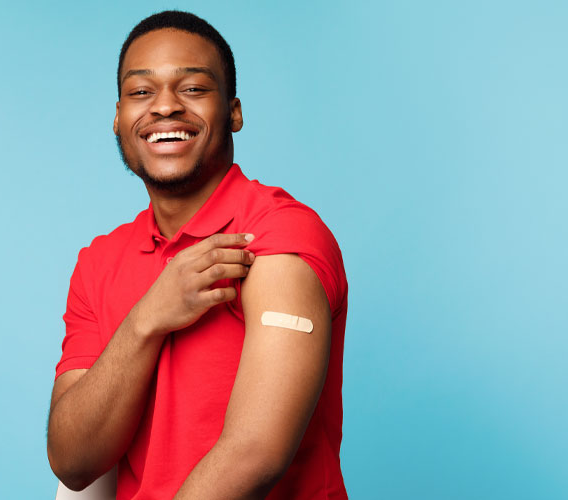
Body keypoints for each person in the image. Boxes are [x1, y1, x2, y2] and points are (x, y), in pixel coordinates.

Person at [47, 10, 349, 499]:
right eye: (141, 92)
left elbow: (256, 453)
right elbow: (74, 462)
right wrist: (147, 319)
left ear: (233, 112)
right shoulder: (99, 262)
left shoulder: (280, 235)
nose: (164, 107)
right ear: (118, 117)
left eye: (192, 88)